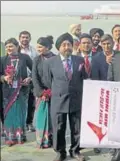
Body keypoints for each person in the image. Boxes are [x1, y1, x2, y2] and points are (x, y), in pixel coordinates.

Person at [42, 33, 88, 161]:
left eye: (69, 45)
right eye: (64, 45)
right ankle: (60, 152)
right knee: (59, 127)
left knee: (77, 127)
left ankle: (75, 151)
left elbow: (83, 77)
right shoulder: (50, 62)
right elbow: (47, 81)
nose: (67, 47)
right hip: (58, 99)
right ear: (58, 48)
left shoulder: (79, 60)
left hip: (76, 98)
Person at [0, 38, 32, 146]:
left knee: (20, 113)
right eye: (7, 47)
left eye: (11, 46)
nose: (8, 48)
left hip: (21, 90)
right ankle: (9, 138)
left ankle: (20, 137)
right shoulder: (2, 59)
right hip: (7, 92)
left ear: (17, 46)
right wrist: (4, 78)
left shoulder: (24, 58)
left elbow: (35, 70)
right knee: (9, 114)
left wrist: (29, 78)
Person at [32, 36, 55, 149]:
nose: (38, 48)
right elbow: (34, 77)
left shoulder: (56, 58)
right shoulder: (36, 60)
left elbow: (58, 76)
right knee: (41, 117)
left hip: (54, 93)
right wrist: (42, 93)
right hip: (41, 94)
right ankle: (41, 141)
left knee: (52, 117)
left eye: (40, 46)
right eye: (37, 46)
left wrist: (52, 92)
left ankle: (52, 140)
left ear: (47, 47)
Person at [18, 30, 38, 133]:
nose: (25, 39)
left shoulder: (33, 51)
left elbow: (36, 66)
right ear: (19, 39)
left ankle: (29, 123)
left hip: (30, 79)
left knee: (31, 102)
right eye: (23, 37)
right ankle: (19, 124)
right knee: (18, 103)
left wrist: (31, 77)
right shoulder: (15, 50)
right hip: (18, 79)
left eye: (27, 37)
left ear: (30, 38)